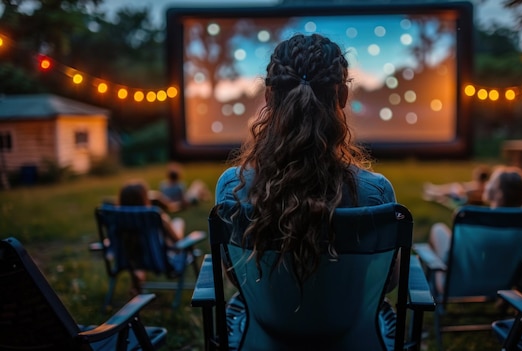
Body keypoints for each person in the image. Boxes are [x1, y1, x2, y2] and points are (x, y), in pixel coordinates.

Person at [215, 34, 397, 348]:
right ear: (342, 94)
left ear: (270, 97)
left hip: (266, 340)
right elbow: (388, 283)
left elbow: (236, 278)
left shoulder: (233, 187)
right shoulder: (377, 193)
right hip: (351, 340)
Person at [428, 166, 522, 265]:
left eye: (491, 182)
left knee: (438, 229)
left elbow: (460, 254)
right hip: (502, 283)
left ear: (499, 194)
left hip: (462, 279)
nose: (487, 184)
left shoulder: (482, 220)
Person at [118, 179, 186, 294]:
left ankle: (138, 278)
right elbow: (178, 242)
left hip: (133, 259)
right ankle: (139, 280)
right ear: (144, 199)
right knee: (178, 222)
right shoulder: (155, 216)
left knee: (137, 252)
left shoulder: (117, 220)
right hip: (163, 259)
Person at [422, 164, 492, 206]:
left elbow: (468, 193)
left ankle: (433, 192)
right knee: (454, 187)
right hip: (463, 197)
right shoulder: (484, 185)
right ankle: (434, 190)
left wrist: (462, 189)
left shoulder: (480, 187)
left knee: (453, 190)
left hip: (463, 199)